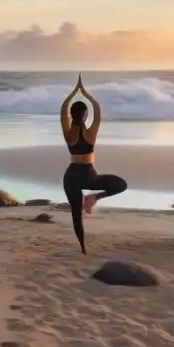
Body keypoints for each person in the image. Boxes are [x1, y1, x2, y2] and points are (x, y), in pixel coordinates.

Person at [60, 74, 127, 254]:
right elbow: (97, 110)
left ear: (72, 115)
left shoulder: (68, 131)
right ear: (85, 115)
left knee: (76, 215)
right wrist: (85, 93)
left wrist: (74, 92)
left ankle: (83, 248)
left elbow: (63, 109)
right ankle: (94, 198)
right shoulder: (91, 132)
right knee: (120, 185)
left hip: (72, 176)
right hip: (89, 176)